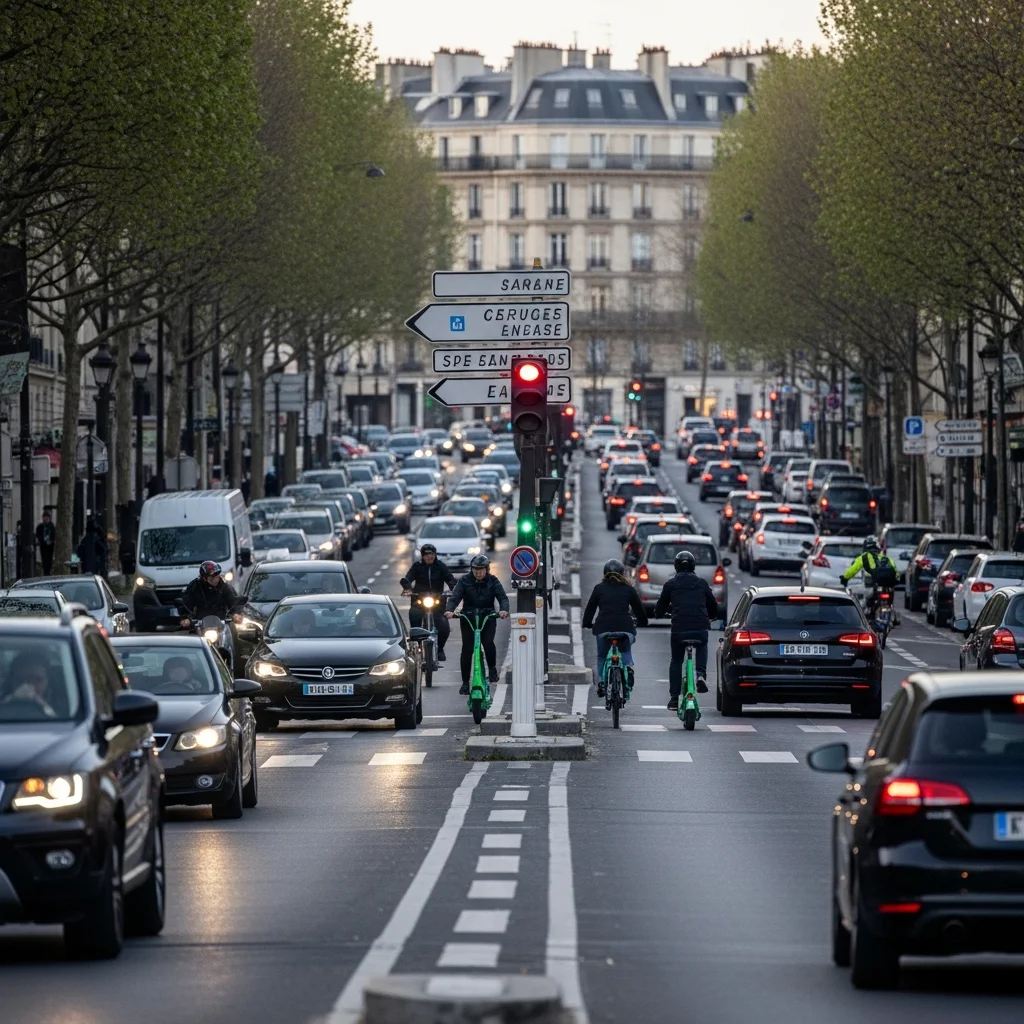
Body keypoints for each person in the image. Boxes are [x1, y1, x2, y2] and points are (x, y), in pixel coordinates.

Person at [654, 550, 720, 709]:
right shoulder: (702, 583)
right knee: (702, 644)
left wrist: (661, 613)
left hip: (679, 628)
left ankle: (674, 698)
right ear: (693, 566)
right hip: (700, 626)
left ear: (676, 567)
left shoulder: (670, 584)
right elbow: (713, 605)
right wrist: (711, 616)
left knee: (676, 661)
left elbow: (659, 609)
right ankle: (700, 674)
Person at [582, 558, 648, 697]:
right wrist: (642, 622)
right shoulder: (629, 589)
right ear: (623, 573)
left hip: (603, 629)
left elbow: (590, 609)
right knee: (626, 647)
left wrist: (587, 623)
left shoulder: (599, 588)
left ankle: (601, 682)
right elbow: (639, 610)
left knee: (601, 656)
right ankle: (628, 667)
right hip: (625, 628)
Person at [445, 554, 510, 694]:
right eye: (475, 570)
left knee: (488, 643)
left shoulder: (493, 581)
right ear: (471, 569)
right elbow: (455, 597)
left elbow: (502, 597)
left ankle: (492, 669)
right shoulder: (464, 581)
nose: (478, 573)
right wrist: (450, 610)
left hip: (488, 617)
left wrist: (504, 610)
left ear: (487, 569)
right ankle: (465, 683)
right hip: (468, 617)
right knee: (467, 649)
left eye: (481, 570)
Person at [400, 543, 457, 661]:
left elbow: (450, 579)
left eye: (431, 554)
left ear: (435, 555)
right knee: (414, 617)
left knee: (444, 626)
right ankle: (417, 647)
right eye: (426, 555)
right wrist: (407, 586)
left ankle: (439, 649)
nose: (429, 557)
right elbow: (408, 578)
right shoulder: (417, 566)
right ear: (422, 556)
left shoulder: (441, 566)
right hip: (419, 600)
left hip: (438, 601)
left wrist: (454, 589)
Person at [841, 536, 899, 619]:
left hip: (872, 587)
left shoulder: (864, 557)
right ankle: (892, 615)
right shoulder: (886, 558)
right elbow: (896, 573)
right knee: (889, 601)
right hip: (888, 587)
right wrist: (896, 581)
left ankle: (866, 614)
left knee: (863, 601)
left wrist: (845, 578)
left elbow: (853, 569)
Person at [180, 560, 244, 628]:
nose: (216, 580)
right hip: (200, 624)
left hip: (222, 623)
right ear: (204, 578)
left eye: (217, 576)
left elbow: (234, 600)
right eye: (212, 577)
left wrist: (236, 614)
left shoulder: (224, 586)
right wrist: (186, 618)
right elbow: (186, 604)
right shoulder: (194, 587)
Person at [2, 652, 57, 717]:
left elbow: (56, 720)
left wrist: (42, 705)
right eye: (21, 680)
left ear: (48, 681)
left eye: (37, 680)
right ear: (11, 682)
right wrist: (10, 702)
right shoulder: (3, 703)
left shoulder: (64, 706)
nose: (28, 686)